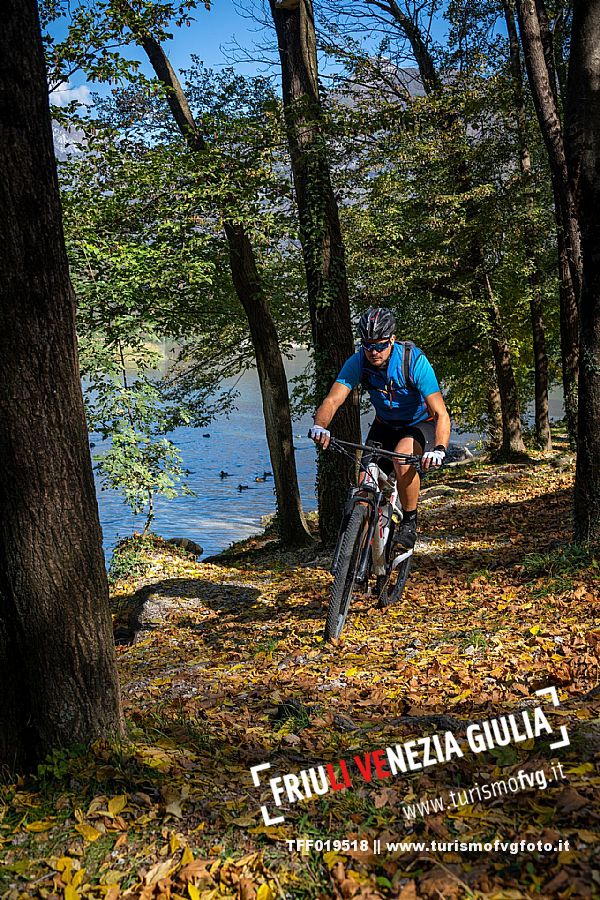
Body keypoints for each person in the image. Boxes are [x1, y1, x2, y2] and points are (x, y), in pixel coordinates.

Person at [309, 307, 451, 550]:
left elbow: (440, 413)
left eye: (380, 345)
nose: (373, 351)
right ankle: (357, 561)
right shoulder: (359, 362)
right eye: (367, 345)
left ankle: (409, 521)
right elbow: (332, 400)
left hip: (418, 424)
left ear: (392, 340)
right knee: (363, 489)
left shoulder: (413, 361)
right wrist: (319, 426)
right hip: (384, 426)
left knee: (403, 458)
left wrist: (438, 449)